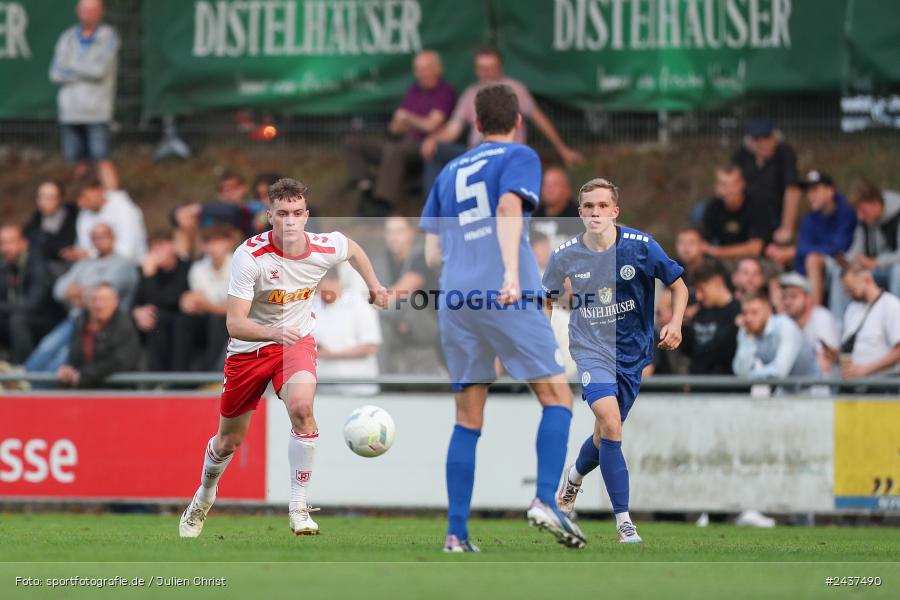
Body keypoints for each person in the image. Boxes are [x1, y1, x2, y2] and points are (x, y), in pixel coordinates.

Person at [419, 84, 584, 551]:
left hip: (456, 299)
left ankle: (456, 534)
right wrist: (511, 272)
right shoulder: (520, 156)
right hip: (507, 293)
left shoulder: (448, 171)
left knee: (467, 417)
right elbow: (509, 207)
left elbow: (431, 252)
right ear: (517, 122)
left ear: (475, 124)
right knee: (557, 397)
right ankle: (545, 500)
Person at [178, 177, 388, 540]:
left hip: (295, 342)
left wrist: (374, 284)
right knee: (228, 442)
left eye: (297, 213)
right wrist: (273, 333)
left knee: (302, 409)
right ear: (270, 216)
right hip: (249, 351)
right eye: (283, 214)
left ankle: (298, 506)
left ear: (306, 215)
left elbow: (352, 248)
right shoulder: (249, 256)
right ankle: (204, 496)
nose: (291, 221)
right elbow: (235, 324)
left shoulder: (324, 246)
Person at [545, 178, 688, 544]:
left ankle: (573, 478)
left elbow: (679, 285)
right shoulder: (565, 254)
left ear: (614, 211)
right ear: (580, 212)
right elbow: (546, 297)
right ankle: (625, 523)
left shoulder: (641, 246)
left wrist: (675, 322)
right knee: (610, 423)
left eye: (602, 206)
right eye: (588, 207)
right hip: (590, 349)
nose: (595, 213)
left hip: (633, 353)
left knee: (604, 433)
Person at [421, 47, 582, 192]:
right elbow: (452, 130)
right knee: (434, 150)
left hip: (504, 157)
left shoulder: (514, 90)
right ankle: (433, 210)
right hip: (474, 154)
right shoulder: (471, 93)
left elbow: (539, 119)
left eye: (491, 68)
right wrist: (433, 139)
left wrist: (563, 149)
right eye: (483, 68)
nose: (487, 73)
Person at [345, 50, 455, 214]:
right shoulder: (414, 90)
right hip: (401, 141)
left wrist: (409, 119)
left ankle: (383, 204)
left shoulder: (445, 92)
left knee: (393, 150)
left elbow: (431, 125)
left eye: (425, 69)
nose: (421, 74)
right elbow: (395, 127)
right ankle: (366, 189)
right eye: (418, 69)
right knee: (353, 143)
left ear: (437, 69)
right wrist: (405, 123)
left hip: (423, 145)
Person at [24, 223, 138, 374]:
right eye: (95, 237)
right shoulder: (84, 263)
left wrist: (78, 292)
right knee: (47, 346)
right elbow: (59, 290)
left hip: (105, 325)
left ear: (113, 238)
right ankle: (21, 379)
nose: (99, 240)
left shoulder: (123, 264)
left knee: (62, 358)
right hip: (78, 319)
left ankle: (33, 386)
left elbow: (102, 292)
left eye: (103, 236)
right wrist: (82, 293)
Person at [49, 0, 120, 191]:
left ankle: (114, 201)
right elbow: (55, 73)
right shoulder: (67, 37)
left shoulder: (108, 36)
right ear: (78, 11)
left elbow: (99, 71)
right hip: (69, 111)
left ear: (101, 12)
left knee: (101, 159)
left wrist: (71, 69)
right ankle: (79, 200)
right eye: (85, 9)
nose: (88, 14)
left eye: (93, 10)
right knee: (75, 164)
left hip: (97, 111)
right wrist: (84, 69)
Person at [766, 170, 856, 305]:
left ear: (830, 191)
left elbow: (838, 247)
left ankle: (816, 313)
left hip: (843, 264)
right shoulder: (808, 219)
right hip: (811, 271)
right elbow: (802, 253)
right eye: (808, 191)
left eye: (815, 190)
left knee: (812, 259)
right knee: (775, 282)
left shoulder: (846, 212)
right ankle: (784, 318)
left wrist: (795, 251)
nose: (810, 196)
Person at [375, 216, 442, 375]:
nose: (394, 237)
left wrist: (370, 309)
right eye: (390, 232)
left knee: (406, 299)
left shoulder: (421, 257)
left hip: (428, 324)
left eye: (399, 231)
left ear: (410, 233)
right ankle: (379, 377)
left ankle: (379, 377)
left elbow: (401, 290)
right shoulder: (381, 262)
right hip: (394, 322)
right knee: (381, 322)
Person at [173, 225, 239, 371]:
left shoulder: (240, 266)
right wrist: (187, 304)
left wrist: (205, 305)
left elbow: (238, 309)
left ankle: (213, 375)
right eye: (208, 241)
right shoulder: (198, 268)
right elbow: (198, 303)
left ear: (229, 242)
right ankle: (180, 375)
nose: (212, 246)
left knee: (217, 320)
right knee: (183, 320)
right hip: (208, 320)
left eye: (217, 241)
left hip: (234, 323)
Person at [831, 182, 900, 318]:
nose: (860, 216)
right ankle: (839, 324)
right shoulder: (864, 221)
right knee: (840, 272)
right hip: (874, 272)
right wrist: (847, 261)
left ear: (875, 203)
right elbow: (857, 248)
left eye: (863, 210)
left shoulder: (897, 214)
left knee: (899, 271)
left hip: (892, 269)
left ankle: (896, 322)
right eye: (857, 211)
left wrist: (876, 262)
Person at [313, 269, 383, 396]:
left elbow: (370, 346)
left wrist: (332, 354)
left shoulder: (359, 305)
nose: (320, 295)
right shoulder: (313, 306)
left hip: (358, 389)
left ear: (336, 282)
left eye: (323, 290)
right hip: (324, 390)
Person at [57, 283, 139, 388]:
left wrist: (85, 375)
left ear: (115, 302)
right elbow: (74, 357)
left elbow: (121, 362)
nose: (99, 305)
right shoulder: (80, 322)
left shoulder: (125, 326)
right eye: (94, 299)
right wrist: (68, 370)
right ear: (87, 303)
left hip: (116, 391)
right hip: (84, 391)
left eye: (104, 299)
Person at [732, 117, 800, 242]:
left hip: (771, 214)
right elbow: (732, 183)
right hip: (745, 212)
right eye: (757, 139)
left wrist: (787, 227)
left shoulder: (784, 154)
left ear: (775, 138)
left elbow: (792, 189)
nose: (762, 143)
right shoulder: (741, 155)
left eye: (766, 138)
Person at [0, 226, 61, 364]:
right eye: (2, 243)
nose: (5, 248)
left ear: (23, 243)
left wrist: (4, 307)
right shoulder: (4, 268)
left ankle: (22, 370)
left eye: (10, 242)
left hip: (44, 320)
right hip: (14, 317)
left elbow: (33, 304)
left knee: (18, 320)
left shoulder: (37, 265)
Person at [131, 232, 191, 372]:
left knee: (165, 320)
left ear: (173, 246)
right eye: (152, 247)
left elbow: (171, 300)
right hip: (156, 322)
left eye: (161, 245)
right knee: (151, 319)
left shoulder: (185, 267)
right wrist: (137, 313)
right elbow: (136, 301)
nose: (156, 251)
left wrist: (150, 275)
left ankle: (177, 379)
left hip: (182, 321)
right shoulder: (147, 270)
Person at [732, 291, 821, 379]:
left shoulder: (786, 326)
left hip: (813, 384)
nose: (748, 318)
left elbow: (779, 372)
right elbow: (740, 371)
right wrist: (749, 337)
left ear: (769, 311)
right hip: (785, 386)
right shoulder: (746, 331)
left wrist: (749, 376)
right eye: (745, 313)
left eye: (754, 312)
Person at [839, 265, 900, 379]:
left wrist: (865, 370)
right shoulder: (852, 308)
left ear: (867, 280)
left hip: (882, 382)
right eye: (846, 291)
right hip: (853, 382)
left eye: (851, 290)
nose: (848, 295)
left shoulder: (891, 305)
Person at [680, 260, 741, 375]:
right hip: (697, 382)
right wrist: (684, 324)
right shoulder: (700, 312)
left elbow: (725, 352)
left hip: (725, 383)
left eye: (701, 289)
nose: (698, 296)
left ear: (717, 281)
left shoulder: (738, 311)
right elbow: (688, 351)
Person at [700, 166, 771, 260]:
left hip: (754, 261)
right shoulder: (712, 207)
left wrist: (717, 252)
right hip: (723, 261)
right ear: (717, 186)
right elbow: (703, 244)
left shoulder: (756, 206)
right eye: (724, 185)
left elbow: (755, 249)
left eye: (733, 184)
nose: (729, 190)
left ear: (742, 184)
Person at [72, 176, 147, 263]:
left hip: (129, 265)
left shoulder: (124, 209)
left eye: (84, 196)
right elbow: (84, 247)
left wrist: (91, 254)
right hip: (93, 265)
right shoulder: (84, 214)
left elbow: (127, 251)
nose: (80, 203)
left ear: (99, 190)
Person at [779, 273, 840, 376]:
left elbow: (826, 362)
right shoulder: (783, 320)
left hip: (823, 380)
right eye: (784, 297)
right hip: (793, 381)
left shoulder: (821, 317)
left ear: (808, 298)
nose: (788, 302)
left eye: (793, 297)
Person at [23, 180, 79, 279]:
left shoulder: (73, 215)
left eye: (49, 198)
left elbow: (66, 249)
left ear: (60, 199)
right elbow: (25, 240)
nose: (43, 202)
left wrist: (45, 240)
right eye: (41, 197)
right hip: (41, 264)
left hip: (66, 265)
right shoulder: (37, 218)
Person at [531, 166, 582, 244]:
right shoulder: (534, 216)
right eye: (545, 184)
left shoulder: (580, 219)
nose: (549, 188)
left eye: (555, 184)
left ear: (567, 189)